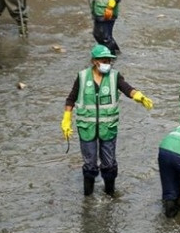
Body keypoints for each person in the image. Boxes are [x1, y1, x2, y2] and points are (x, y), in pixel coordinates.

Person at [61, 45, 154, 196]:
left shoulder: (114, 76)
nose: (107, 64)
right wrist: (66, 119)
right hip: (87, 128)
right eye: (104, 61)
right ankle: (88, 196)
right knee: (90, 165)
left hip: (108, 128)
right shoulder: (82, 77)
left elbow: (127, 88)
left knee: (109, 165)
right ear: (94, 61)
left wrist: (139, 96)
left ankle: (110, 194)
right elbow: (71, 99)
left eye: (109, 61)